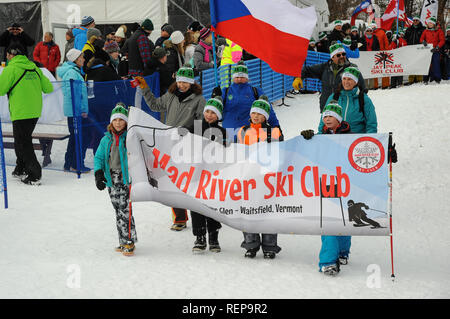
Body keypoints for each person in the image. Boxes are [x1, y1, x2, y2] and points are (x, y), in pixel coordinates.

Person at [134, 64, 205, 231]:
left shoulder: (199, 100)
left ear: (192, 83)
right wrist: (145, 88)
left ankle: (199, 214)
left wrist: (189, 133)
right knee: (173, 181)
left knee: (189, 180)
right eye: (180, 82)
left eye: (186, 82)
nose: (182, 85)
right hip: (169, 144)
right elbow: (154, 106)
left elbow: (202, 123)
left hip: (187, 145)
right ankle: (180, 218)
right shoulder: (170, 95)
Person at [0, 44, 53, 184]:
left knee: (23, 142)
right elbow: (48, 88)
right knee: (21, 139)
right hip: (34, 111)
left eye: (7, 54)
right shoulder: (34, 68)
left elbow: (0, 89)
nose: (6, 57)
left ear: (12, 55)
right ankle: (21, 168)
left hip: (20, 111)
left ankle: (35, 174)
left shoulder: (10, 68)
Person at [237, 95, 283, 259]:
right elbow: (238, 153)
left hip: (267, 178)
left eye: (260, 113)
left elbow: (281, 152)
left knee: (268, 210)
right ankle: (251, 244)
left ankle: (270, 245)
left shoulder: (274, 131)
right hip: (248, 177)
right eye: (254, 113)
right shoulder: (243, 131)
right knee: (249, 210)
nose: (256, 116)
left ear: (266, 116)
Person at [184, 96, 227, 253]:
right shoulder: (193, 127)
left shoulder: (222, 132)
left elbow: (227, 153)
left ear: (219, 116)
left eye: (213, 113)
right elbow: (178, 137)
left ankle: (213, 237)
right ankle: (199, 237)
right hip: (195, 174)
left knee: (213, 206)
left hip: (214, 176)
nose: (209, 115)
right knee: (196, 206)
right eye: (207, 111)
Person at [94, 103, 137, 256]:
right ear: (111, 122)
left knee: (126, 210)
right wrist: (99, 174)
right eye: (115, 120)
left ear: (126, 122)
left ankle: (129, 241)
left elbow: (139, 155)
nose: (118, 123)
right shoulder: (106, 140)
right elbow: (98, 157)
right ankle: (122, 240)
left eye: (121, 120)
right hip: (111, 179)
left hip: (126, 179)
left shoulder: (130, 138)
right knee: (117, 209)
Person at [212, 61, 281, 139]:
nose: (239, 79)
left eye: (242, 77)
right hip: (228, 135)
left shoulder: (255, 91)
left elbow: (268, 110)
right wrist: (215, 97)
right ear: (233, 77)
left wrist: (276, 126)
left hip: (248, 135)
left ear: (247, 78)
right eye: (237, 77)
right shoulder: (225, 91)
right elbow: (214, 112)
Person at [300, 42, 365, 112]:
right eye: (338, 55)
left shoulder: (352, 68)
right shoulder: (324, 67)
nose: (342, 56)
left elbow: (362, 88)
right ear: (332, 57)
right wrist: (298, 78)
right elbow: (306, 70)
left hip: (345, 109)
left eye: (343, 54)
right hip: (327, 107)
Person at [56, 48, 90, 173]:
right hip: (75, 111)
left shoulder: (75, 72)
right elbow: (73, 95)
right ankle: (75, 164)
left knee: (75, 136)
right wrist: (81, 110)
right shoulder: (72, 73)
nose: (84, 59)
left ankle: (69, 163)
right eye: (82, 57)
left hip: (76, 110)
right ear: (75, 59)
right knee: (77, 137)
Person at [319, 66, 377, 134]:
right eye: (344, 79)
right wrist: (320, 135)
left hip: (356, 140)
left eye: (349, 79)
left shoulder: (363, 99)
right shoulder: (334, 97)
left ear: (355, 82)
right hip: (335, 139)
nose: (346, 82)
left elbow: (371, 124)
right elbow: (323, 119)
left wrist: (368, 140)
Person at [420, 17, 445, 84]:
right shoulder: (425, 31)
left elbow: (442, 40)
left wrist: (437, 47)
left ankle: (437, 79)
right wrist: (423, 42)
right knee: (426, 64)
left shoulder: (439, 30)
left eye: (431, 23)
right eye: (428, 23)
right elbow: (421, 39)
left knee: (436, 64)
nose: (429, 24)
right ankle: (425, 79)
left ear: (434, 24)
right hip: (427, 50)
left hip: (435, 50)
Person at [405, 16, 426, 84]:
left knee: (419, 63)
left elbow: (426, 38)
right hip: (411, 49)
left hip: (419, 49)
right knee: (411, 63)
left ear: (419, 21)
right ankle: (411, 79)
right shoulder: (409, 29)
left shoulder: (423, 29)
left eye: (416, 20)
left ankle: (419, 79)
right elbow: (405, 38)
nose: (415, 22)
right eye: (414, 20)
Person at [372, 23, 390, 89]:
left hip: (382, 53)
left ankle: (385, 84)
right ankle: (375, 85)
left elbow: (386, 43)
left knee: (384, 68)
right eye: (372, 26)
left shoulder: (382, 32)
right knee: (374, 69)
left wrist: (387, 51)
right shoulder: (370, 32)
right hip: (373, 54)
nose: (373, 27)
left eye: (374, 26)